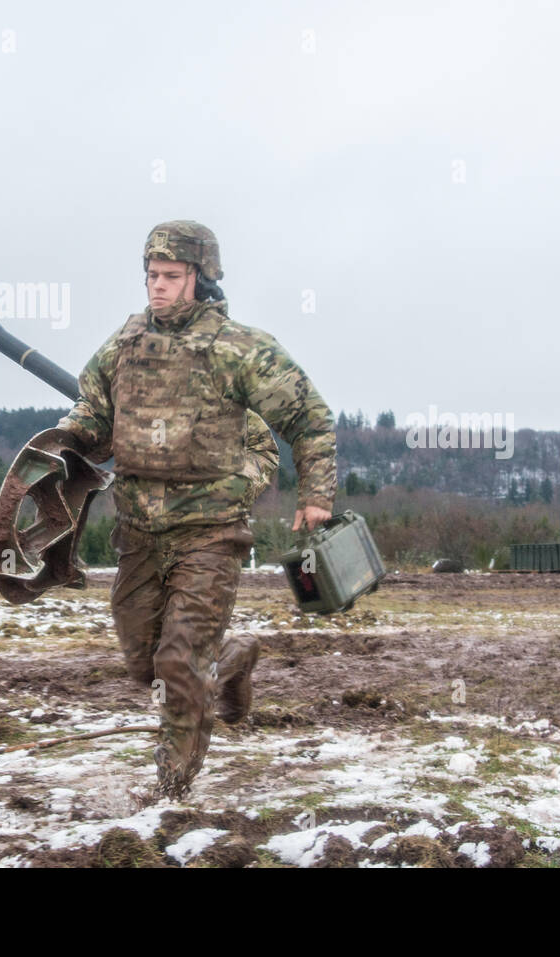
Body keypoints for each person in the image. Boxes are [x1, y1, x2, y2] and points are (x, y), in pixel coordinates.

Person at [57, 220, 336, 798]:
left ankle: (170, 793)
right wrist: (67, 440)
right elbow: (93, 411)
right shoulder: (124, 344)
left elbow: (309, 418)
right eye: (151, 276)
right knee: (145, 665)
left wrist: (315, 498)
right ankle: (233, 657)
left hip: (210, 534)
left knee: (180, 664)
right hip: (138, 533)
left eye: (171, 276)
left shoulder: (239, 348)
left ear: (201, 277)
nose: (157, 287)